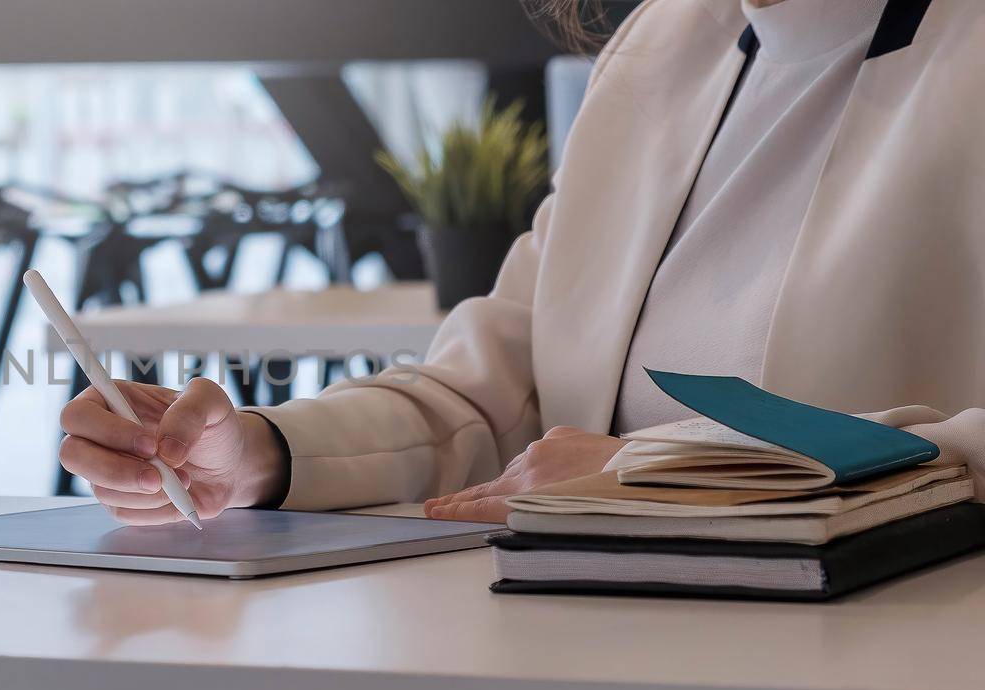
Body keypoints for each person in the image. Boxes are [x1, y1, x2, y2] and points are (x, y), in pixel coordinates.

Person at [58, 0, 985, 525]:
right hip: (588, 650)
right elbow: (488, 395)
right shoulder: (663, 45)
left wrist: (661, 477)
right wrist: (259, 452)